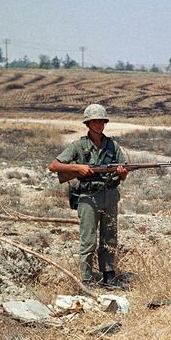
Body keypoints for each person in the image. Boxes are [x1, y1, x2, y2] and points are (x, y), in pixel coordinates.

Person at [48, 104, 128, 288]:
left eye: (101, 121)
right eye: (95, 121)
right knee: (88, 239)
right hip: (88, 197)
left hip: (110, 196)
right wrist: (77, 168)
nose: (99, 124)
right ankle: (86, 279)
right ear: (88, 123)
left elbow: (123, 174)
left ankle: (108, 275)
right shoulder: (78, 145)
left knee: (110, 237)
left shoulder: (112, 146)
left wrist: (123, 172)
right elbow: (54, 166)